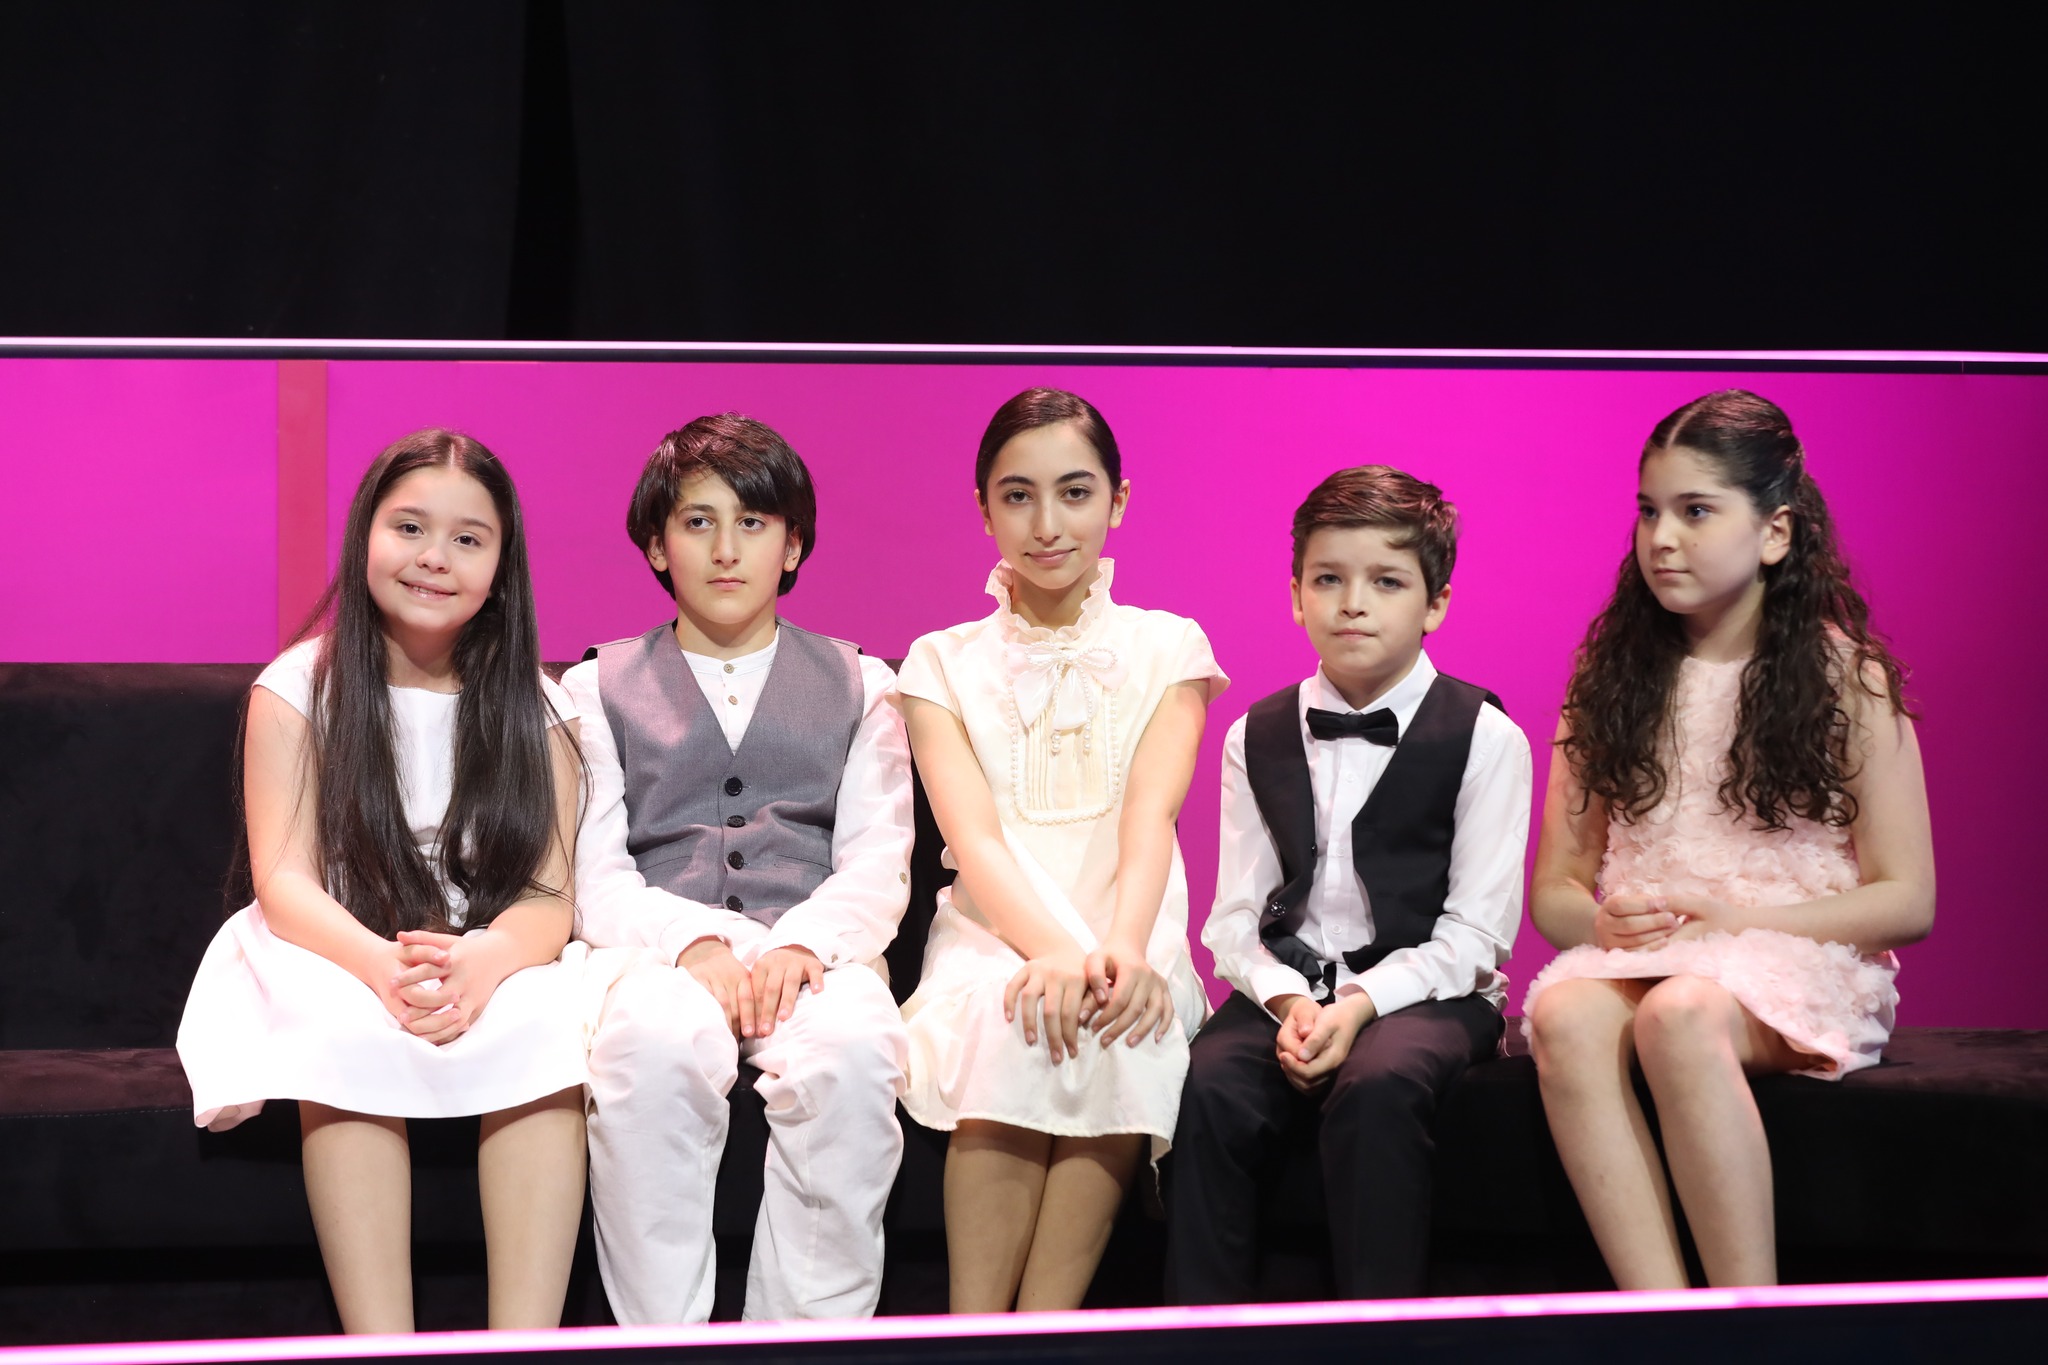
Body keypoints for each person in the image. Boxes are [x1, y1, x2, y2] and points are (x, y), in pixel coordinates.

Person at [177, 430, 589, 1333]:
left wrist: (484, 962)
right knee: (344, 1027)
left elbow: (549, 897)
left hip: (484, 944)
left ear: (502, 570)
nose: (434, 557)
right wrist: (380, 966)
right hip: (333, 936)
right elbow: (285, 879)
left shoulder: (545, 706)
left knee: (548, 1022)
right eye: (409, 527)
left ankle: (524, 1346)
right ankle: (381, 1348)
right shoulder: (296, 688)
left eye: (468, 539)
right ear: (365, 533)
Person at [1523, 389, 1935, 1289]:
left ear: (1775, 531)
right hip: (1655, 956)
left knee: (1680, 1014)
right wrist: (1601, 925)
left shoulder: (1847, 676)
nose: (1662, 538)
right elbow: (1556, 886)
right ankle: (1661, 1317)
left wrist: (1736, 922)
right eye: (1649, 511)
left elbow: (1908, 897)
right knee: (1564, 1014)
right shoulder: (1607, 678)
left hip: (1794, 952)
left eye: (1696, 511)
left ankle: (1750, 1318)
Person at [567, 413, 914, 1324]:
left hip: (815, 951)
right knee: (649, 1049)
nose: (727, 549)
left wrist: (804, 944)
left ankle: (806, 1342)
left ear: (792, 544)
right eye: (698, 522)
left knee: (853, 1053)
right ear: (657, 544)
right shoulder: (594, 687)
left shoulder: (866, 683)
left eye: (753, 523)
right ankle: (661, 1342)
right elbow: (594, 871)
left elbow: (879, 856)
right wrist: (693, 942)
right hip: (659, 952)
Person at [892, 387, 1228, 1313]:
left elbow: (1149, 816)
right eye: (1018, 495)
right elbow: (974, 838)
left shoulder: (1171, 646)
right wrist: (1051, 950)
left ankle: (1042, 1335)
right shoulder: (938, 661)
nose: (1047, 524)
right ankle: (971, 1333)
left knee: (1122, 1019)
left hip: (1132, 923)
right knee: (1014, 1016)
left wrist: (1118, 949)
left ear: (1118, 501)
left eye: (1075, 492)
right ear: (984, 509)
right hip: (993, 932)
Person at [1168, 465, 1531, 1302]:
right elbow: (1235, 917)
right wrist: (1291, 1001)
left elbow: (1477, 936)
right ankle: (1197, 1339)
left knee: (1378, 1086)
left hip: (1432, 992)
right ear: (1296, 595)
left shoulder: (1486, 736)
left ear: (1436, 602)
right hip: (1290, 988)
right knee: (1207, 1083)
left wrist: (1362, 1004)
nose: (1353, 603)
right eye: (1328, 579)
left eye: (1387, 581)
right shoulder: (1253, 733)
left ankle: (1378, 1336)